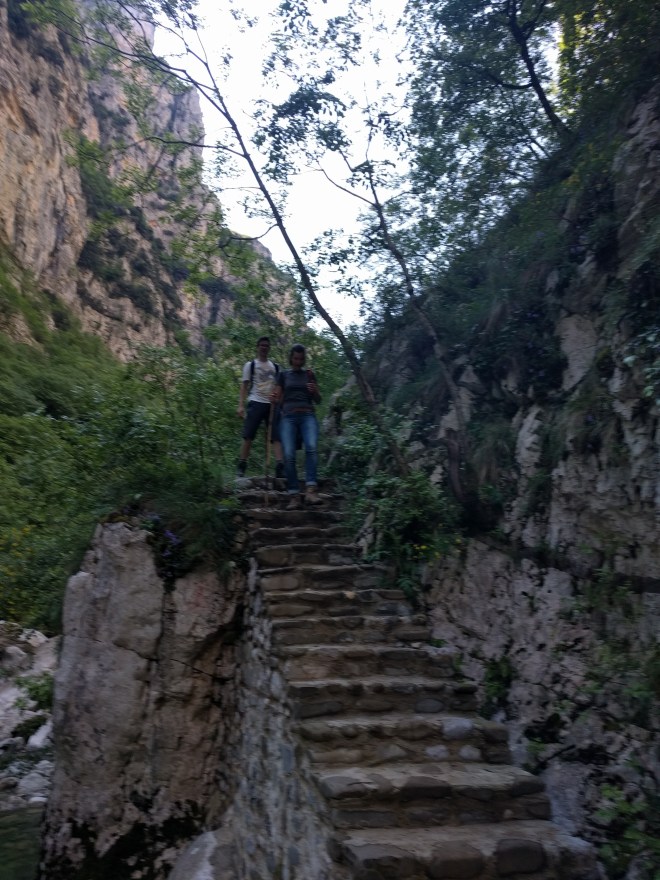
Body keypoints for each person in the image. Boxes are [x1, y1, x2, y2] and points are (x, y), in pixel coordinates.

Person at [275, 343, 322, 509]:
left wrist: (314, 391)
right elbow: (278, 399)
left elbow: (318, 400)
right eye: (295, 358)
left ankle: (311, 491)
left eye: (301, 359)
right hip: (288, 416)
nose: (298, 362)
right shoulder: (283, 375)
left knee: (311, 447)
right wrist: (274, 397)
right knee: (288, 454)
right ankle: (294, 494)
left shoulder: (309, 374)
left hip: (307, 414)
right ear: (291, 358)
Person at [236, 336, 284, 478]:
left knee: (276, 435)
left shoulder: (275, 367)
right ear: (257, 347)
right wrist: (241, 405)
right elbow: (244, 386)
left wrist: (277, 399)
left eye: (266, 345)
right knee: (248, 435)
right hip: (255, 402)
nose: (264, 347)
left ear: (269, 348)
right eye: (262, 345)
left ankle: (280, 466)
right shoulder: (250, 365)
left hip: (272, 404)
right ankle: (242, 465)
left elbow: (279, 386)